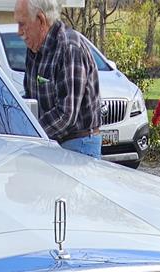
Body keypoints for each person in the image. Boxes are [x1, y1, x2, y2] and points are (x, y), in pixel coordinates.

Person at [14, 0, 102, 158]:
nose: (19, 32)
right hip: (50, 141)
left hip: (79, 145)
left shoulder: (70, 48)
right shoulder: (34, 50)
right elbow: (30, 101)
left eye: (22, 24)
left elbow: (66, 114)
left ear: (40, 20)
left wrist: (30, 133)